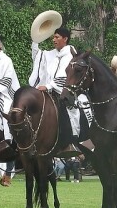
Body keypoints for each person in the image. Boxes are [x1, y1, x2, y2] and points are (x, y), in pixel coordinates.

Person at [33, 27, 82, 157]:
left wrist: (49, 86)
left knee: (64, 109)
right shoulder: (50, 54)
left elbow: (66, 76)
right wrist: (35, 39)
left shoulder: (72, 54)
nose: (54, 40)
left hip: (63, 91)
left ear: (65, 39)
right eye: (53, 37)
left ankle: (69, 142)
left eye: (57, 37)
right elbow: (38, 57)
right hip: (47, 90)